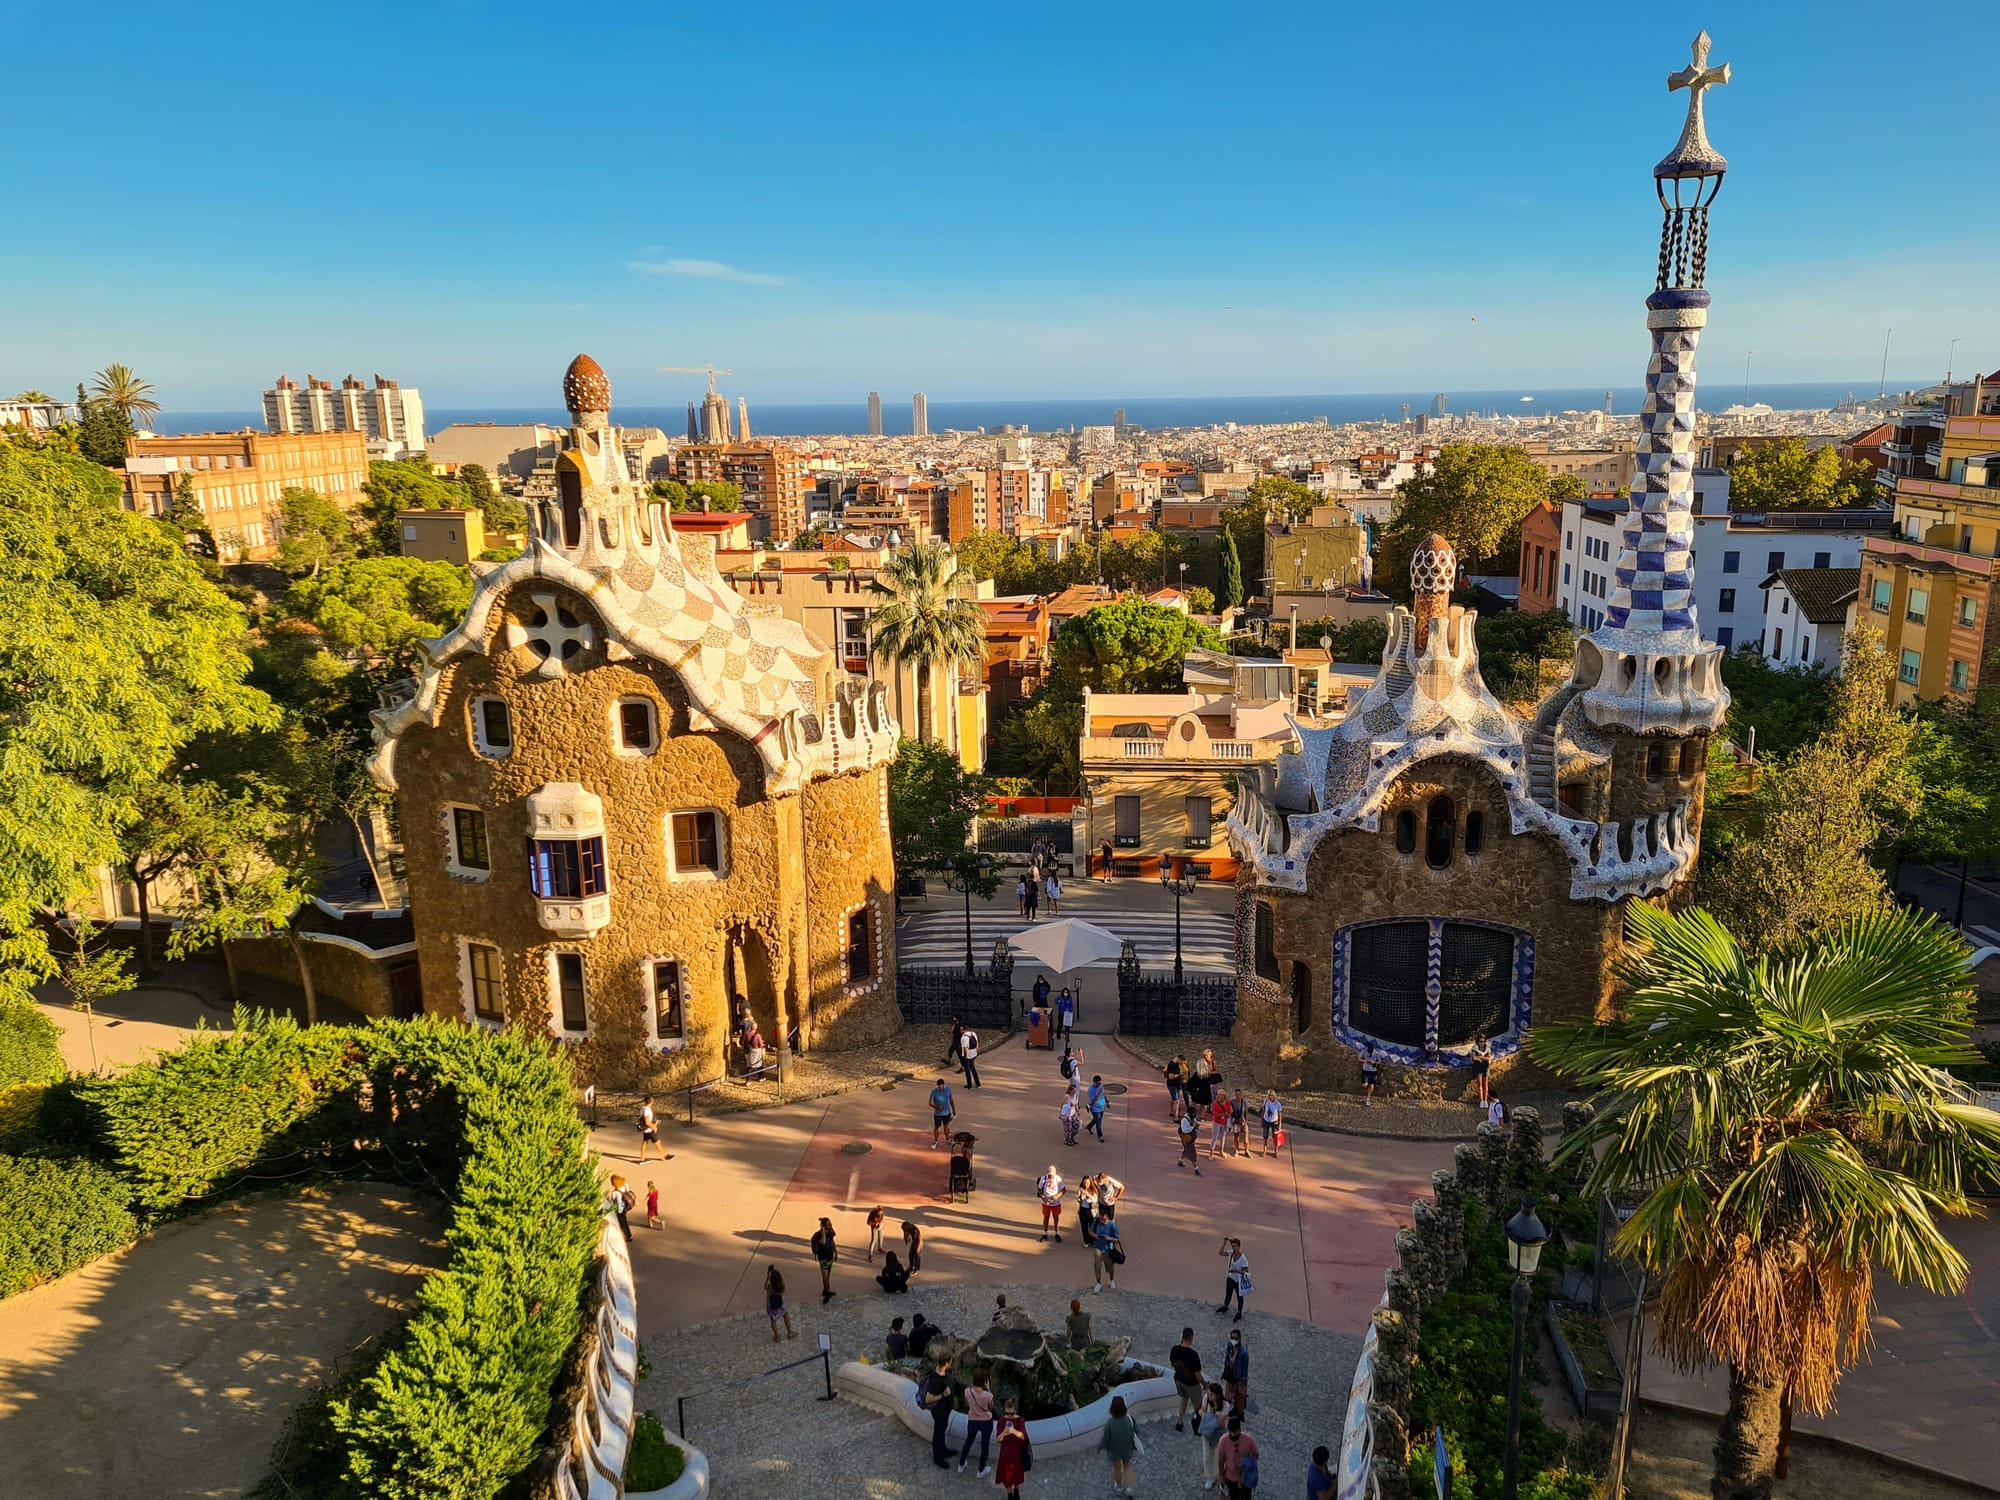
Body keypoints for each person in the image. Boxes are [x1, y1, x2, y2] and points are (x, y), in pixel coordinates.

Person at [1100, 1393, 1140, 1495]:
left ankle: (1119, 1486)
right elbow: (1137, 1431)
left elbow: (1105, 1438)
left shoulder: (1110, 1423)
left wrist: (1100, 1447)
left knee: (1117, 1468)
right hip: (1127, 1448)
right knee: (1127, 1466)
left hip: (1114, 1451)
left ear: (1112, 1409)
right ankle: (1130, 1488)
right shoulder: (1129, 1419)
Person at [959, 1370, 996, 1476]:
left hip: (973, 1420)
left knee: (968, 1442)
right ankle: (980, 1470)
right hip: (986, 1422)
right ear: (984, 1382)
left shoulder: (967, 1391)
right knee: (985, 1445)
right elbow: (991, 1407)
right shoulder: (988, 1395)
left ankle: (961, 1465)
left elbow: (967, 1404)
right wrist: (988, 1390)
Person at [922, 1354, 955, 1469]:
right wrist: (943, 1395)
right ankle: (938, 1457)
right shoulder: (936, 1380)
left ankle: (943, 1449)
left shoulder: (941, 1372)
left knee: (942, 1430)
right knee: (939, 1432)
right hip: (940, 1410)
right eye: (950, 1361)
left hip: (945, 1409)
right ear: (946, 1363)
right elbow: (928, 1398)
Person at [1216, 1414, 1260, 1500]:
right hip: (1230, 1476)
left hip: (1245, 1477)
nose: (1232, 1435)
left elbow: (1255, 1455)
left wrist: (1246, 1462)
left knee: (1246, 1497)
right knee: (1233, 1497)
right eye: (1230, 1432)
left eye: (1234, 1432)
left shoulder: (1249, 1440)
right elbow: (1221, 1460)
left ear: (1239, 1430)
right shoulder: (1223, 1441)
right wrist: (1221, 1475)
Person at [994, 1398, 1030, 1500]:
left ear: (1015, 1411)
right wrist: (1003, 1433)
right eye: (1007, 1413)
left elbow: (1023, 1436)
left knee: (1017, 1475)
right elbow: (997, 1439)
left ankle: (1016, 1490)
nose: (1009, 1416)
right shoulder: (1001, 1421)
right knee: (1006, 1477)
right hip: (1005, 1454)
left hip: (1017, 1454)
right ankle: (1010, 1494)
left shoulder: (1020, 1420)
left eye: (1011, 1414)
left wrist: (1013, 1431)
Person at [1169, 1327, 1205, 1430]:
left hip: (1178, 1380)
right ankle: (1197, 1425)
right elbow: (1198, 1375)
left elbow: (1172, 1363)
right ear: (1191, 1337)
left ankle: (1180, 1422)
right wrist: (1205, 1384)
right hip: (1191, 1384)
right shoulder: (1193, 1355)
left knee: (1184, 1399)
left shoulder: (1174, 1349)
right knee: (1198, 1405)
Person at [1198, 1385, 1228, 1491]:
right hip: (1207, 1432)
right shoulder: (1206, 1398)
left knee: (1218, 1457)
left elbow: (1220, 1422)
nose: (1209, 1395)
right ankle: (1210, 1477)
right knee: (1207, 1456)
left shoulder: (1225, 1405)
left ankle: (1220, 1475)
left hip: (1219, 1434)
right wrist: (1208, 1418)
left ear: (1218, 1395)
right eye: (1209, 1393)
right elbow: (1201, 1411)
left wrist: (1207, 1417)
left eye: (1211, 1394)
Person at [1218, 1237, 1251, 1322]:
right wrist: (1224, 1244)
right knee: (1228, 1294)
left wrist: (1236, 1271)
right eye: (1233, 1246)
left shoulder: (1243, 1258)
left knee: (1239, 1297)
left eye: (1235, 1246)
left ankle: (1239, 1312)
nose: (1234, 1248)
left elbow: (1246, 1271)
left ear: (1239, 1246)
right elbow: (1220, 1253)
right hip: (1230, 1278)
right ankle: (1225, 1307)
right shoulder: (1231, 1253)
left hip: (1238, 1281)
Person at [1220, 1327, 1250, 1417]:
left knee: (1239, 1397)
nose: (1233, 1340)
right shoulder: (1229, 1346)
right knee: (1229, 1393)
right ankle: (1233, 1409)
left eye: (1235, 1338)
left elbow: (1244, 1369)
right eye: (1232, 1338)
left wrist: (1242, 1382)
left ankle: (1240, 1414)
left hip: (1239, 1377)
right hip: (1231, 1375)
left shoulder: (1243, 1353)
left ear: (1239, 1339)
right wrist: (1224, 1372)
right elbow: (1227, 1360)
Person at [1092, 1205, 1122, 1293]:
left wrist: (1108, 1238)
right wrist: (1096, 1236)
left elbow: (1116, 1239)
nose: (1102, 1220)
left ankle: (1111, 1280)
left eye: (1103, 1219)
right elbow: (1090, 1232)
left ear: (1107, 1217)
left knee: (1110, 1267)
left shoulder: (1112, 1225)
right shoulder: (1097, 1222)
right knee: (1097, 1266)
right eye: (1101, 1218)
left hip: (1108, 1249)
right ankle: (1098, 1283)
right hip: (1097, 1247)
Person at [763, 1265, 795, 1342]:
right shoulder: (781, 1286)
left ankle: (777, 1336)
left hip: (771, 1305)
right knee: (785, 1315)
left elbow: (764, 1286)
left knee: (773, 1320)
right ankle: (790, 1332)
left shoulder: (770, 1287)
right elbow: (783, 1288)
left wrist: (768, 1277)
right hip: (781, 1305)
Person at [810, 1216, 837, 1302]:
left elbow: (832, 1242)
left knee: (828, 1276)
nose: (831, 1225)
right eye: (828, 1224)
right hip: (823, 1258)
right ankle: (827, 1292)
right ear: (824, 1226)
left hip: (830, 1256)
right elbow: (824, 1241)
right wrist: (822, 1230)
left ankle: (826, 1290)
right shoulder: (818, 1235)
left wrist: (836, 1252)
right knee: (825, 1277)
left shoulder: (830, 1232)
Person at [1037, 1164, 1066, 1241]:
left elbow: (1063, 1190)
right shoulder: (1044, 1178)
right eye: (1050, 1175)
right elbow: (1039, 1189)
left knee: (1056, 1218)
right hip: (1046, 1203)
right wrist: (1043, 1198)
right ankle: (1045, 1233)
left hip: (1056, 1203)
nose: (1051, 1177)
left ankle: (1057, 1233)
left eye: (1052, 1175)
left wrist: (1057, 1196)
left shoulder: (1058, 1179)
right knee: (1046, 1217)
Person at [637, 1094, 669, 1162]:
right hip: (649, 1129)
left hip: (646, 1129)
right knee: (657, 1142)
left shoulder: (643, 1108)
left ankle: (642, 1159)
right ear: (651, 1101)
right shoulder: (647, 1110)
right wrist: (654, 1127)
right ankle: (665, 1156)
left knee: (645, 1142)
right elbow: (647, 1122)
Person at [606, 1173, 635, 1242]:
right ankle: (628, 1236)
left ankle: (626, 1236)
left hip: (620, 1209)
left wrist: (619, 1212)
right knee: (624, 1222)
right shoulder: (625, 1186)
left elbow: (618, 1203)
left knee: (621, 1223)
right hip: (626, 1206)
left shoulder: (615, 1193)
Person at [929, 1077, 955, 1147]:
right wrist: (937, 1107)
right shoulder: (934, 1092)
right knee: (937, 1127)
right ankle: (936, 1141)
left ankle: (948, 1140)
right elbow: (930, 1103)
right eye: (938, 1086)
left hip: (947, 1113)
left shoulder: (948, 1089)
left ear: (944, 1085)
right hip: (938, 1114)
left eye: (941, 1086)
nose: (939, 1088)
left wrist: (954, 1110)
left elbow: (951, 1100)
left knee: (946, 1127)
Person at [1178, 1105, 1203, 1175]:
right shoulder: (1184, 1120)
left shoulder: (1191, 1118)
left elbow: (1195, 1126)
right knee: (1193, 1154)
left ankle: (1180, 1161)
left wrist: (1197, 1126)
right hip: (1186, 1138)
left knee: (1186, 1150)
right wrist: (1193, 1127)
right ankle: (1196, 1169)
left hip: (1190, 1138)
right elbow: (1184, 1130)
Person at [1076, 1173, 1099, 1247]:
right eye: (1084, 1182)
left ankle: (1092, 1240)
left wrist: (1088, 1195)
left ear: (1090, 1183)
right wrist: (1079, 1206)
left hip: (1091, 1210)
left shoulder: (1093, 1190)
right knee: (1084, 1226)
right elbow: (1079, 1200)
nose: (1086, 1184)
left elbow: (1095, 1200)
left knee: (1092, 1226)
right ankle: (1085, 1240)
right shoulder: (1080, 1189)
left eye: (1088, 1183)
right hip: (1083, 1210)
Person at [1259, 1090, 1283, 1156]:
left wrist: (1280, 1124)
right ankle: (1264, 1150)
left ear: (1274, 1096)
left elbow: (1280, 1115)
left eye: (1271, 1095)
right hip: (1266, 1120)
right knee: (1265, 1136)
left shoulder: (1278, 1104)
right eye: (1269, 1095)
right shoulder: (1266, 1102)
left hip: (1274, 1122)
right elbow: (1263, 1111)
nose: (1270, 1097)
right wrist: (1261, 1121)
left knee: (1275, 1137)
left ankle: (1276, 1151)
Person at [1163, 1053, 1186, 1120]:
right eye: (1181, 1062)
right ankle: (1175, 1118)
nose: (1181, 1064)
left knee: (1173, 1099)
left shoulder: (1176, 1064)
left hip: (1176, 1084)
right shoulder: (1172, 1065)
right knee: (1176, 1101)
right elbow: (1170, 1077)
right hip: (1172, 1085)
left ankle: (1172, 1112)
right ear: (1179, 1059)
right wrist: (1179, 1074)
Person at [1472, 1034, 1493, 1106]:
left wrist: (1480, 1057)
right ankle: (1481, 1101)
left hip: (1485, 1067)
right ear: (1478, 1041)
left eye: (1483, 1041)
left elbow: (1489, 1058)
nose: (1482, 1043)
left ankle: (1485, 1100)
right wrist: (1483, 1058)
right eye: (1480, 1041)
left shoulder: (1488, 1048)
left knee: (1485, 1084)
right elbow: (1474, 1058)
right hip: (1478, 1067)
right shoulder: (1475, 1048)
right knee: (1480, 1084)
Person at [1209, 1091, 1231, 1158]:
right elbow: (1215, 1114)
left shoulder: (1227, 1102)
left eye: (1222, 1096)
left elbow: (1229, 1112)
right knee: (1214, 1137)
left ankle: (1221, 1151)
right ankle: (1211, 1152)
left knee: (1223, 1137)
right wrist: (1223, 1114)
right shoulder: (1215, 1103)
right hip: (1217, 1122)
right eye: (1219, 1096)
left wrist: (1228, 1115)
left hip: (1224, 1123)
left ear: (1224, 1096)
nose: (1220, 1097)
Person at [1229, 1087, 1250, 1157]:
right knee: (1236, 1136)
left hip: (1243, 1122)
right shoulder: (1232, 1102)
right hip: (1235, 1122)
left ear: (1241, 1094)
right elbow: (1230, 1112)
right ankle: (1236, 1149)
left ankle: (1246, 1150)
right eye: (1236, 1094)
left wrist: (1246, 1123)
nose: (1237, 1095)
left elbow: (1246, 1113)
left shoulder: (1244, 1102)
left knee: (1246, 1138)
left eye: (1239, 1094)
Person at [1087, 1074, 1109, 1142]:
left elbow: (1104, 1093)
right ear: (1094, 1082)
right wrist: (1099, 1093)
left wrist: (1106, 1101)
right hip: (1095, 1109)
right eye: (1098, 1083)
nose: (1100, 1084)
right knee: (1099, 1123)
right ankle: (1100, 1136)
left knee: (1097, 1120)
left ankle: (1089, 1127)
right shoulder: (1091, 1090)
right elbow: (1093, 1100)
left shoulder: (1101, 1086)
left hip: (1101, 1107)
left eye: (1100, 1082)